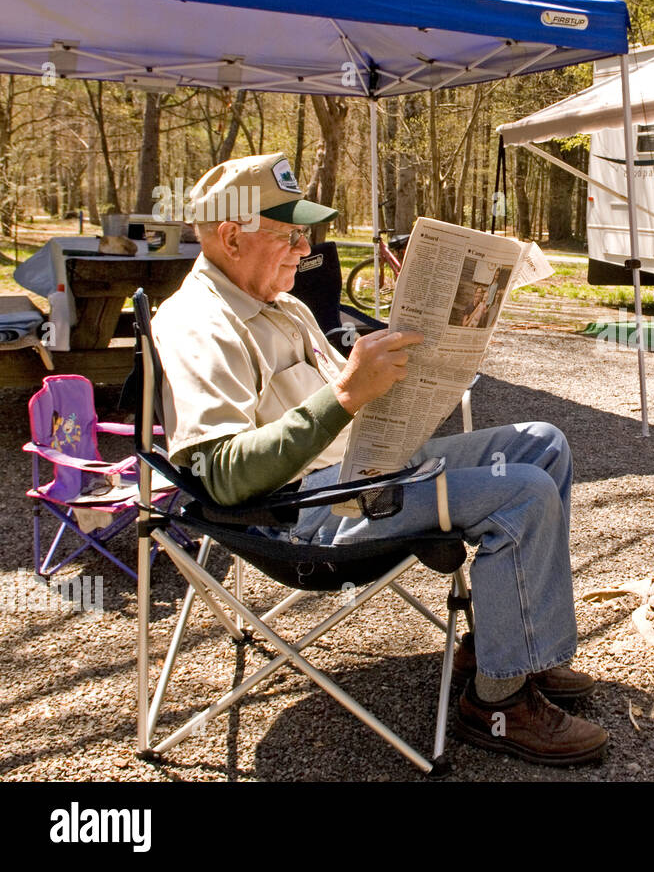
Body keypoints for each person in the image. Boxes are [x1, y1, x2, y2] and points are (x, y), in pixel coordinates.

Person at [151, 152, 607, 767]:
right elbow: (222, 477)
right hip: (309, 512)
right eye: (288, 233)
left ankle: (503, 647)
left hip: (370, 468)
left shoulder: (286, 306)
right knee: (521, 491)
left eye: (305, 232)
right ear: (231, 234)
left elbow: (354, 400)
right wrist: (345, 395)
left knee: (542, 442)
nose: (302, 248)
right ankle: (497, 706)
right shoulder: (197, 323)